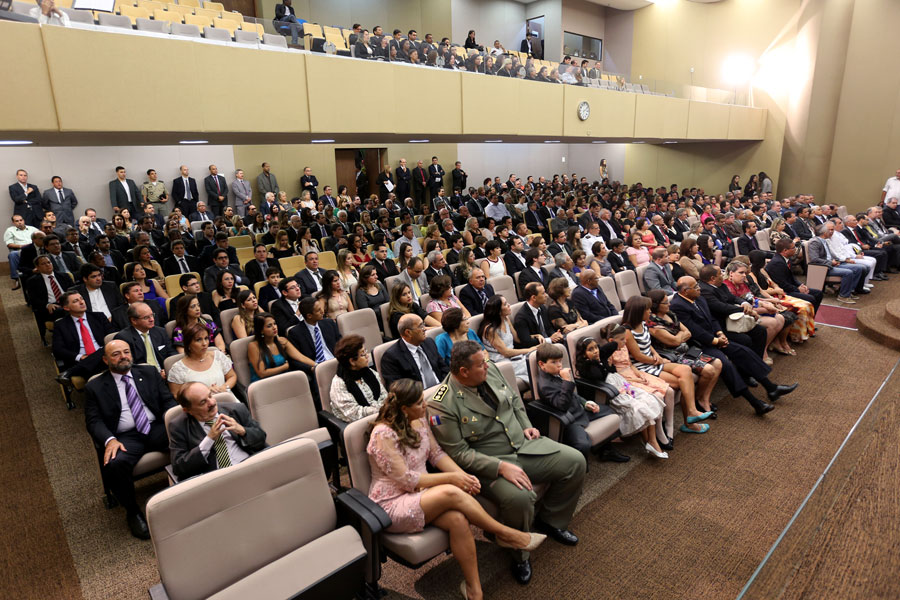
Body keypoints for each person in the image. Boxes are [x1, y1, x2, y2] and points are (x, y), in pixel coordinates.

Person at [368, 379, 544, 599]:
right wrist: (453, 479)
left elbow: (436, 454)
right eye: (420, 402)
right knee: (451, 491)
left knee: (458, 520)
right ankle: (506, 534)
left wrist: (463, 477)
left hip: (422, 494)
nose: (425, 405)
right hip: (392, 503)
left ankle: (474, 590)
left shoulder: (419, 419)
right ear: (404, 408)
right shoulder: (382, 434)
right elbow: (407, 480)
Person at [428, 341, 586, 585]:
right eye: (480, 365)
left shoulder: (489, 368)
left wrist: (526, 425)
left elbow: (513, 400)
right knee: (520, 498)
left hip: (523, 444)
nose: (487, 365)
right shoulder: (441, 403)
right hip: (489, 462)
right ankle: (520, 553)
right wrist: (499, 467)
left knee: (575, 462)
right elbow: (458, 453)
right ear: (463, 372)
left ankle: (551, 521)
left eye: (485, 361)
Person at [84, 340, 176, 538]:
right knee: (115, 463)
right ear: (105, 360)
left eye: (126, 352)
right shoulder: (95, 387)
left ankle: (189, 487)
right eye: (116, 354)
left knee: (186, 435)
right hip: (125, 437)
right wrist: (110, 439)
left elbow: (168, 401)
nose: (123, 356)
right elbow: (93, 421)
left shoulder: (149, 372)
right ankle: (133, 512)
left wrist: (172, 420)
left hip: (155, 427)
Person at [670, 276, 798, 415]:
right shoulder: (678, 306)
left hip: (714, 338)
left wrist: (720, 333)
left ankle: (771, 388)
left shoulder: (698, 298)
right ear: (685, 291)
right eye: (695, 287)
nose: (699, 288)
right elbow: (694, 331)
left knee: (743, 351)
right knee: (726, 365)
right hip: (699, 345)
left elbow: (712, 319)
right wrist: (716, 341)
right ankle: (755, 403)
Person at [621, 296, 711, 436]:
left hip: (654, 361)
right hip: (642, 367)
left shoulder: (643, 323)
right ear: (639, 311)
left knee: (686, 370)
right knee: (684, 382)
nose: (650, 312)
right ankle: (690, 422)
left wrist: (656, 354)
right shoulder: (627, 331)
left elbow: (647, 344)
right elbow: (637, 356)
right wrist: (657, 361)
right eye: (647, 309)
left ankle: (692, 412)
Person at [574, 335, 666, 454]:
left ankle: (651, 441)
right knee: (639, 408)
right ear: (583, 354)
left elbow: (613, 344)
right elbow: (598, 375)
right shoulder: (587, 366)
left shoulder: (601, 355)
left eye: (596, 347)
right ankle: (651, 442)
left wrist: (600, 353)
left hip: (621, 383)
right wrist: (596, 360)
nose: (595, 351)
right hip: (611, 391)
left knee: (647, 399)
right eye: (590, 349)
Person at [536, 343, 619, 461]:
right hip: (571, 419)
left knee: (610, 411)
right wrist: (566, 381)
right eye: (554, 362)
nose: (559, 365)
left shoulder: (555, 373)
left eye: (560, 361)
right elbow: (562, 405)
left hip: (579, 409)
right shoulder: (545, 385)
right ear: (542, 364)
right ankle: (581, 468)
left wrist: (585, 403)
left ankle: (605, 451)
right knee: (582, 445)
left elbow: (573, 394)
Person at [645, 290, 723, 415]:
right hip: (673, 356)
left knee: (717, 363)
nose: (669, 304)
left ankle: (703, 398)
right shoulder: (652, 324)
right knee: (708, 369)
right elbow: (674, 341)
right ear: (656, 305)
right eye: (665, 302)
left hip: (686, 350)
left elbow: (688, 332)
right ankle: (697, 403)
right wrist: (681, 336)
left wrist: (679, 337)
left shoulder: (670, 314)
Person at [169, 381, 267, 481]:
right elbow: (178, 467)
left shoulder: (236, 409)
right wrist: (208, 440)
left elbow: (261, 438)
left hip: (250, 467)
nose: (212, 403)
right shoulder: (178, 427)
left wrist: (243, 431)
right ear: (188, 410)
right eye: (203, 402)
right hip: (217, 480)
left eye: (210, 396)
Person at [723, 260, 796, 356]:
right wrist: (766, 309)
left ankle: (765, 347)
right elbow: (738, 309)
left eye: (745, 273)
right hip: (739, 317)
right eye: (741, 273)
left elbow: (753, 298)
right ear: (731, 273)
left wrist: (765, 303)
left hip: (752, 311)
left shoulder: (742, 284)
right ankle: (762, 352)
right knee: (772, 322)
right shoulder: (727, 287)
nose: (744, 275)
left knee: (780, 318)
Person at [747, 250, 816, 343]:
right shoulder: (751, 274)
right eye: (764, 259)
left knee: (807, 304)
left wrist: (777, 288)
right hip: (768, 297)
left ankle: (806, 331)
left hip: (775, 294)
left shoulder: (762, 270)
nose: (767, 261)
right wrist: (775, 293)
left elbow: (772, 282)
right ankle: (797, 336)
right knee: (802, 308)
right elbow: (760, 291)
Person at [52, 290, 113, 383]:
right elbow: (58, 349)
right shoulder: (61, 325)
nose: (81, 302)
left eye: (82, 299)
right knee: (97, 365)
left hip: (105, 355)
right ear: (66, 307)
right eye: (75, 301)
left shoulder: (99, 317)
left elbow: (112, 336)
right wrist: (80, 357)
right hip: (81, 359)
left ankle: (70, 372)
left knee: (106, 349)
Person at [167, 322, 237, 396]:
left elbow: (232, 376)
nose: (204, 343)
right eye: (198, 340)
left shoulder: (218, 356)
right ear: (188, 343)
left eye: (206, 338)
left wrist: (224, 387)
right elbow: (177, 395)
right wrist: (202, 393)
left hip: (226, 398)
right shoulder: (178, 369)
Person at [329, 334, 387, 423]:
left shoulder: (369, 372)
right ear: (352, 361)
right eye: (363, 354)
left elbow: (384, 396)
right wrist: (380, 410)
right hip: (359, 424)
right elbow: (353, 413)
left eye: (365, 351)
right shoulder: (339, 383)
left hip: (382, 416)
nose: (367, 356)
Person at [380, 313, 448, 388]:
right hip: (419, 394)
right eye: (420, 326)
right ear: (408, 332)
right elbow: (397, 389)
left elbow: (443, 368)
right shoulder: (391, 357)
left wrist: (445, 386)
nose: (424, 329)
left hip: (442, 388)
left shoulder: (429, 342)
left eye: (423, 324)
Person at [807, 222, 867, 304]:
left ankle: (849, 291)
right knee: (848, 273)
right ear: (824, 233)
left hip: (832, 264)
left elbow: (829, 255)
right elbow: (814, 259)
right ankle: (843, 296)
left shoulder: (825, 240)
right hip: (823, 267)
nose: (831, 232)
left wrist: (836, 261)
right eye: (829, 231)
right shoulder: (815, 242)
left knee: (858, 268)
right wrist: (831, 262)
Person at [479, 295, 532, 382]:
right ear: (498, 311)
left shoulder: (505, 318)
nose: (509, 305)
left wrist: (535, 336)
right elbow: (506, 352)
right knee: (531, 364)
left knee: (537, 358)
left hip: (513, 357)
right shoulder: (490, 330)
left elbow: (517, 339)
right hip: (502, 362)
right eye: (505, 304)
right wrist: (529, 349)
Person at [248, 313, 313, 382]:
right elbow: (262, 373)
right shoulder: (253, 346)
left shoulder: (282, 341)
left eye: (275, 324)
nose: (274, 327)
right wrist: (284, 367)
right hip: (263, 383)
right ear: (261, 330)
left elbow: (301, 357)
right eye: (269, 326)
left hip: (281, 379)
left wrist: (316, 365)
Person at [766, 239, 823, 313]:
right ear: (785, 250)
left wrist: (800, 285)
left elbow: (792, 277)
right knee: (811, 298)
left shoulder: (787, 259)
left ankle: (811, 316)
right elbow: (782, 285)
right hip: (783, 291)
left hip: (790, 287)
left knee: (818, 293)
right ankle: (806, 317)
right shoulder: (777, 263)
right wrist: (798, 289)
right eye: (793, 248)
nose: (795, 249)